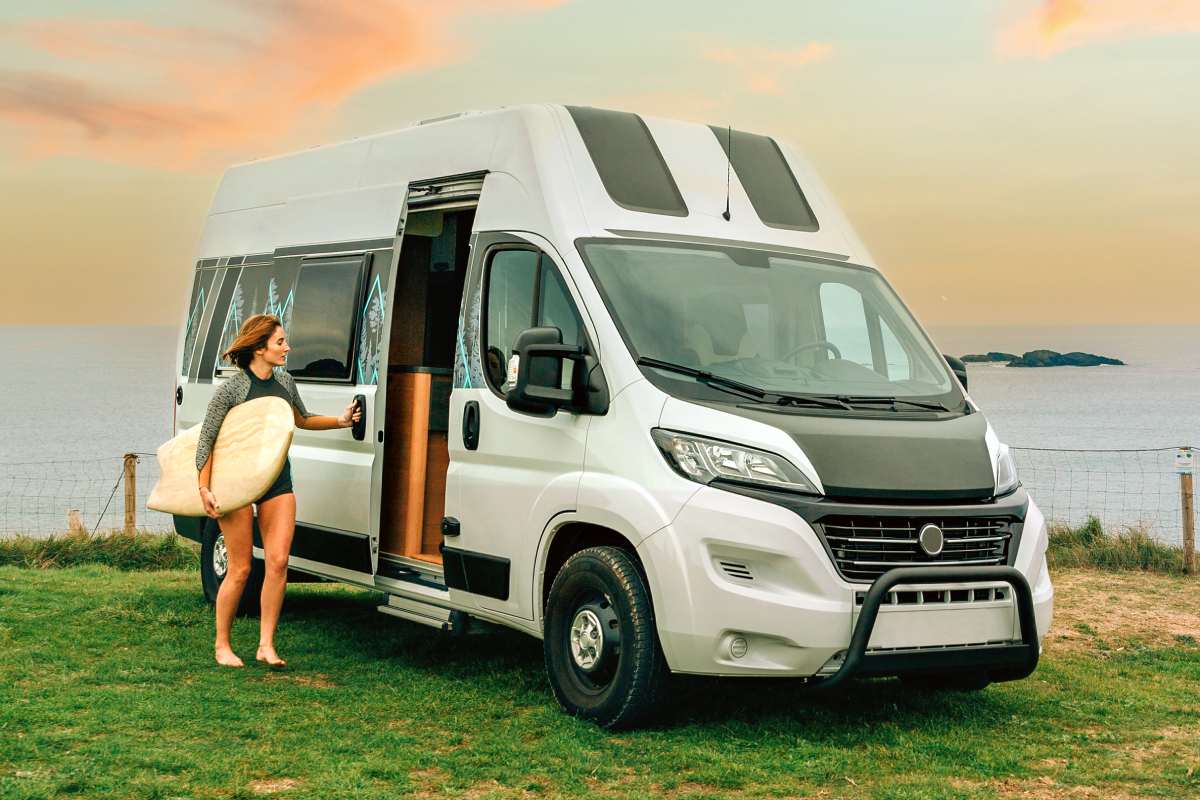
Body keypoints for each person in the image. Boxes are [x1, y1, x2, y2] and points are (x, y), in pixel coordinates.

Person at [196, 314, 361, 668]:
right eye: (280, 343)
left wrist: (340, 420)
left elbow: (300, 419)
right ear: (259, 348)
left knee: (278, 561)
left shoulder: (284, 381)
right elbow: (205, 442)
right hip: (235, 483)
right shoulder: (231, 390)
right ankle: (222, 645)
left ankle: (265, 644)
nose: (288, 348)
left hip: (275, 480)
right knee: (240, 568)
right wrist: (204, 488)